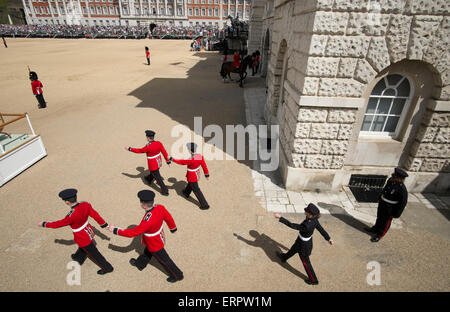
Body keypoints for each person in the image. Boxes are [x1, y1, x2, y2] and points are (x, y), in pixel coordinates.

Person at [107, 190, 184, 283]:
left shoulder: (147, 221)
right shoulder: (159, 207)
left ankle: (177, 275)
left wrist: (115, 230)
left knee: (164, 260)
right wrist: (173, 228)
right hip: (158, 237)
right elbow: (168, 217)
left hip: (154, 243)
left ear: (143, 204)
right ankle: (140, 264)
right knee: (147, 252)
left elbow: (132, 233)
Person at [38, 188, 114, 275]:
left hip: (82, 237)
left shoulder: (71, 216)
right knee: (83, 247)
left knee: (95, 254)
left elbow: (57, 224)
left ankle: (107, 268)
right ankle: (78, 258)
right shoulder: (85, 204)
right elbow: (95, 215)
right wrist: (104, 224)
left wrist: (44, 224)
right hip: (88, 230)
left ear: (67, 202)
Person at [274, 203, 334, 285]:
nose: (305, 211)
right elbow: (321, 230)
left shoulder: (307, 225)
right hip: (300, 241)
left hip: (304, 246)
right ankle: (284, 257)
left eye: (307, 211)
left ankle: (313, 280)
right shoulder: (314, 220)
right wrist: (328, 238)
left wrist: (281, 218)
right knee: (293, 250)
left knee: (306, 263)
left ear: (311, 215)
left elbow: (293, 225)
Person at [366, 167, 408, 242]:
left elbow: (402, 203)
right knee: (379, 217)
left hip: (390, 208)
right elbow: (385, 190)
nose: (393, 177)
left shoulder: (402, 189)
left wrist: (396, 214)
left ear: (400, 178)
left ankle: (380, 234)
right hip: (383, 203)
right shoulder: (390, 181)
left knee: (385, 222)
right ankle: (375, 228)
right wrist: (380, 198)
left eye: (395, 177)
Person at [125, 130, 171, 196]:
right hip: (158, 162)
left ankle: (165, 190)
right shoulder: (159, 143)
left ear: (148, 138)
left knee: (158, 177)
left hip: (152, 164)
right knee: (154, 173)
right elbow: (164, 152)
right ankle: (148, 179)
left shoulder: (148, 146)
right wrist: (167, 161)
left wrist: (130, 149)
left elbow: (139, 151)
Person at [170, 142, 210, 210]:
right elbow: (204, 166)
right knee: (191, 185)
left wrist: (172, 159)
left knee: (196, 190)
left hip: (192, 176)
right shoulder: (199, 156)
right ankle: (186, 192)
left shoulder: (191, 159)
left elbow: (181, 162)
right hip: (196, 173)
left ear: (190, 150)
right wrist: (206, 174)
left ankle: (204, 204)